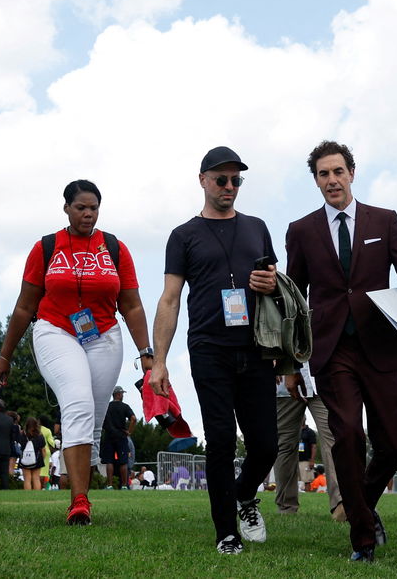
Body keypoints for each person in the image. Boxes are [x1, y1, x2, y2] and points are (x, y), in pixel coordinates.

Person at [285, 140, 397, 562]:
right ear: (315, 180)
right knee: (347, 434)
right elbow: (294, 300)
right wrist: (290, 363)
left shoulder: (384, 221)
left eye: (337, 172)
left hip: (381, 346)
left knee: (392, 442)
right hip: (331, 351)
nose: (331, 180)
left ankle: (360, 506)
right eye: (322, 174)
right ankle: (362, 538)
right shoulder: (302, 230)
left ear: (352, 173)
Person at [0, 178, 154, 523]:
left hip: (104, 335)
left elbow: (132, 305)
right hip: (55, 330)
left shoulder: (114, 248)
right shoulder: (46, 247)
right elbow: (24, 307)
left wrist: (147, 352)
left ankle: (82, 484)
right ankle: (79, 501)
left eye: (94, 208)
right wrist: (5, 356)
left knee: (93, 421)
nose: (88, 214)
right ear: (66, 208)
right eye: (81, 207)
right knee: (77, 403)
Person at [149, 147, 280, 555]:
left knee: (266, 445)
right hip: (209, 348)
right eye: (221, 179)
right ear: (203, 179)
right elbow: (170, 299)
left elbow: (276, 286)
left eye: (236, 180)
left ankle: (244, 496)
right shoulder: (183, 235)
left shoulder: (257, 226)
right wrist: (159, 361)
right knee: (221, 440)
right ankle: (227, 533)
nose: (229, 187)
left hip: (257, 347)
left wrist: (269, 283)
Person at [273, 363, 341, 517]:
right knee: (284, 446)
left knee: (334, 441)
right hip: (285, 381)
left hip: (322, 380)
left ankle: (341, 503)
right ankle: (286, 507)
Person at [101, 387, 136, 490]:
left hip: (109, 435)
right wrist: (129, 431)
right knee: (123, 461)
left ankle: (110, 485)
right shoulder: (124, 407)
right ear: (118, 394)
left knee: (109, 461)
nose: (123, 395)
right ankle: (124, 485)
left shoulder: (106, 406)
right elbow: (133, 419)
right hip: (121, 436)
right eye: (122, 394)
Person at [21, 417, 46, 491]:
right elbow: (43, 450)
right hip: (37, 458)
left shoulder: (22, 434)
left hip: (25, 458)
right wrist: (42, 459)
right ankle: (37, 495)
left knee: (27, 478)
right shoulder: (40, 435)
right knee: (36, 478)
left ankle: (27, 495)